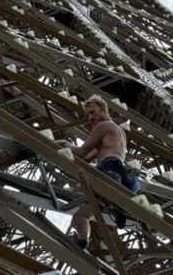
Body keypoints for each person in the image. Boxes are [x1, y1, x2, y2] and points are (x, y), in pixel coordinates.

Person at [55, 95, 141, 249]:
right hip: (122, 174)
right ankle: (84, 239)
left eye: (92, 112)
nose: (89, 117)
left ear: (103, 109)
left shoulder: (103, 127)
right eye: (87, 115)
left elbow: (81, 152)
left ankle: (116, 202)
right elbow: (88, 158)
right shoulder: (119, 131)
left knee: (93, 201)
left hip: (109, 170)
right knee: (80, 217)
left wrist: (64, 145)